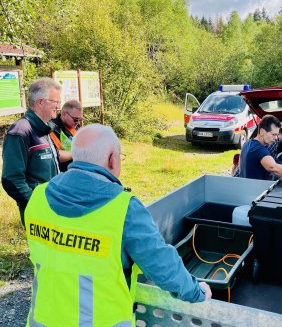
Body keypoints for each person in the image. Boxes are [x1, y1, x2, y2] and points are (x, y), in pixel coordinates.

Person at [24, 124, 212, 326]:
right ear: (112, 158)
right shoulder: (124, 209)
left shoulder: (38, 197)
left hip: (42, 321)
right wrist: (196, 291)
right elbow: (161, 264)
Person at [2, 77, 61, 226]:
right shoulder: (21, 131)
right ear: (41, 102)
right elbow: (11, 179)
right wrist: (35, 204)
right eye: (56, 102)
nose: (58, 106)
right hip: (38, 211)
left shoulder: (45, 128)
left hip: (53, 206)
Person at [239, 115, 282, 183]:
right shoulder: (258, 149)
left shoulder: (247, 143)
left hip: (246, 187)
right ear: (262, 131)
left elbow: (273, 163)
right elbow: (273, 167)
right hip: (256, 191)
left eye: (277, 134)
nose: (276, 138)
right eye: (273, 134)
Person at [50, 99, 83, 171]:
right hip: (62, 174)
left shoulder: (77, 127)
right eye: (75, 119)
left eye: (80, 119)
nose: (77, 122)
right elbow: (55, 155)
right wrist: (77, 153)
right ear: (64, 114)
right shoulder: (53, 129)